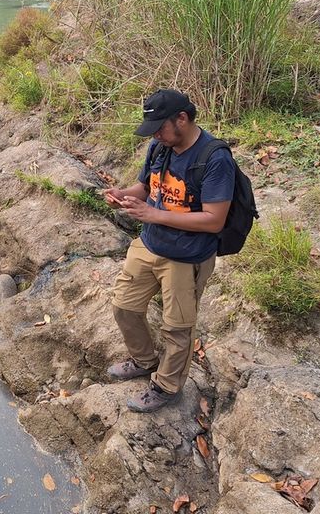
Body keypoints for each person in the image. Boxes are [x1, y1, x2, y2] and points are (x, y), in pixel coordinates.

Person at [101, 89, 235, 412]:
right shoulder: (160, 147)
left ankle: (167, 387)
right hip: (149, 243)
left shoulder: (215, 159)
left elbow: (215, 220)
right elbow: (147, 188)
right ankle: (145, 360)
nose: (157, 135)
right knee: (123, 306)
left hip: (187, 256)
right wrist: (124, 194)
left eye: (161, 127)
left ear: (183, 119)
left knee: (177, 328)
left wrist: (154, 214)